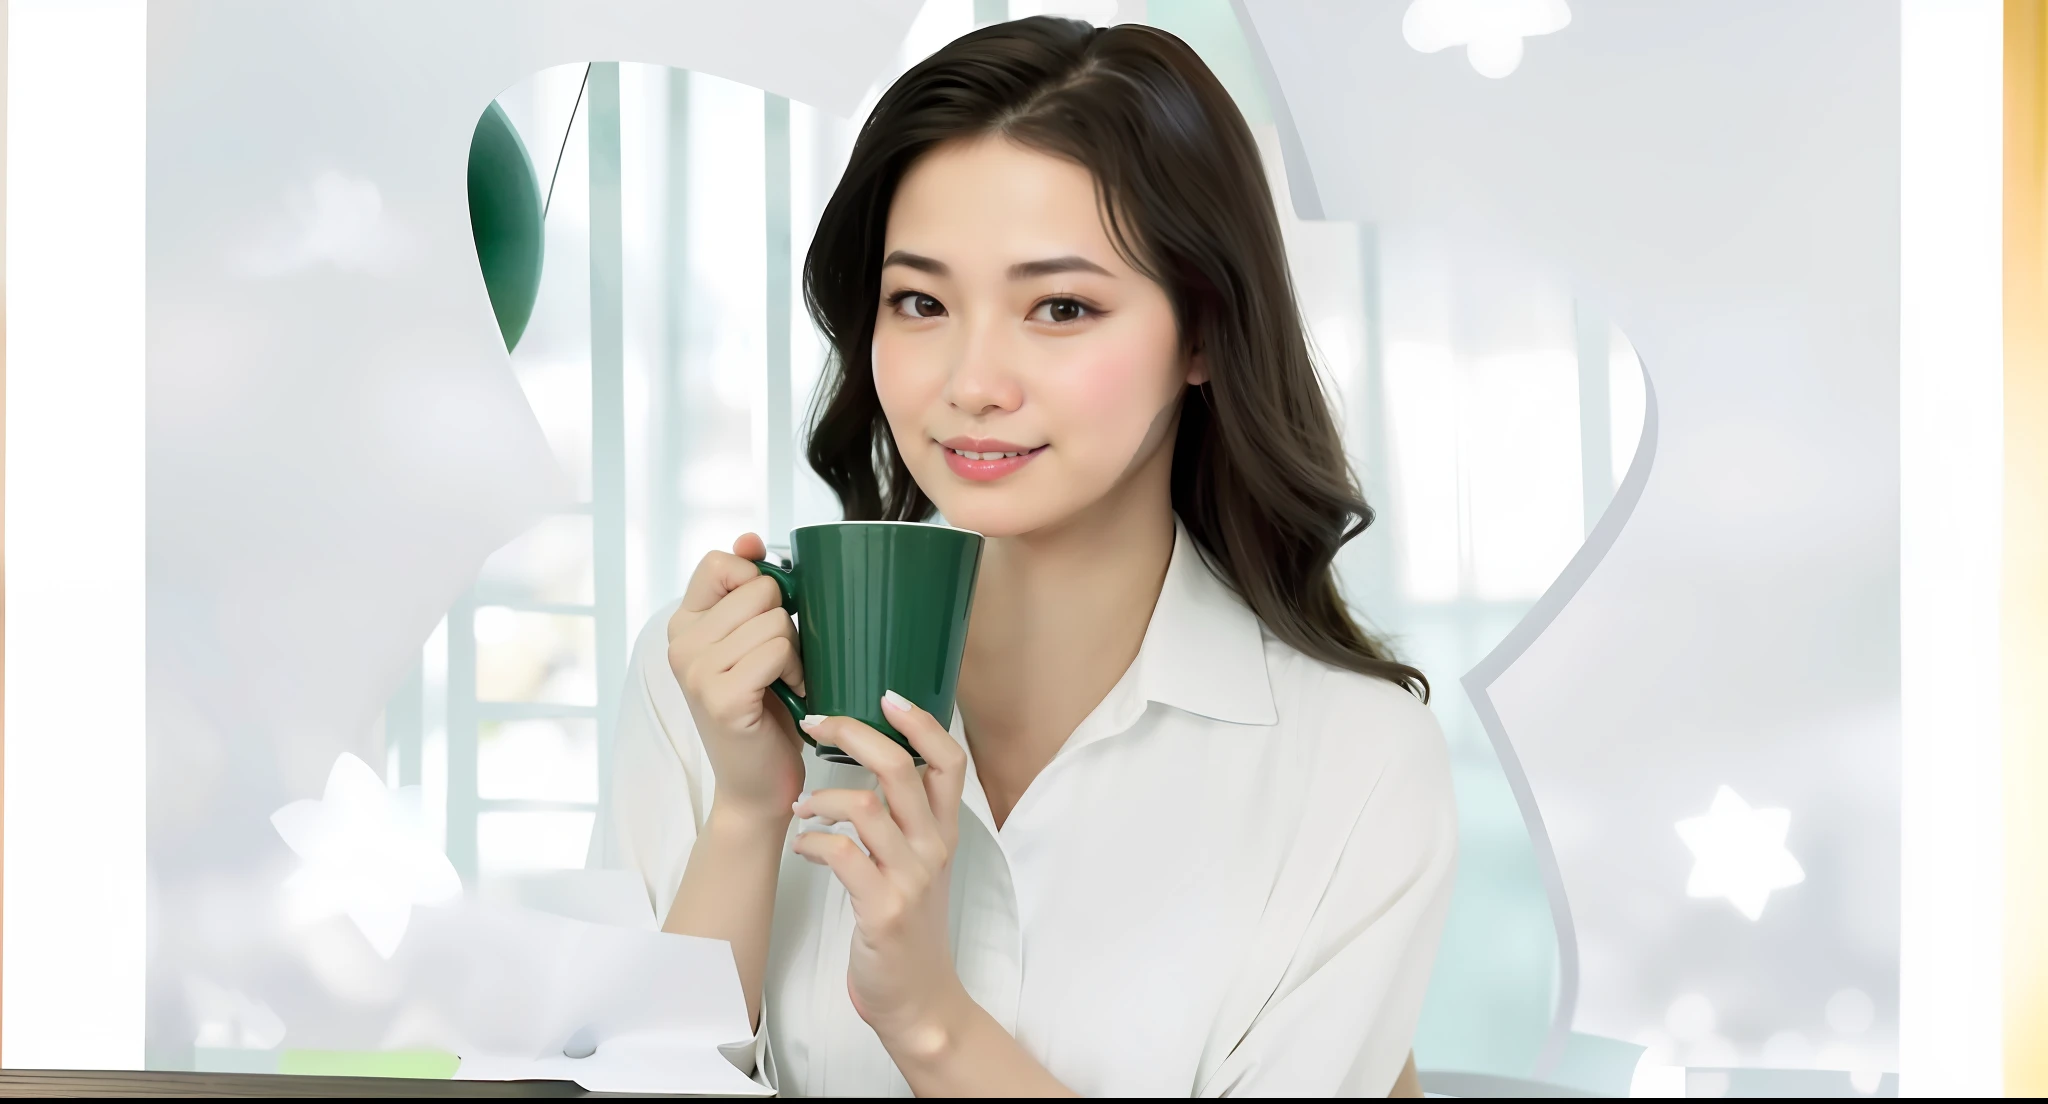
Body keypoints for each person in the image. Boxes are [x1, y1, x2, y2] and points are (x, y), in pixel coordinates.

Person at [592, 16, 1455, 1097]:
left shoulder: (1353, 765)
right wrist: (748, 811)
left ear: (1200, 332)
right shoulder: (713, 688)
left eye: (1059, 307)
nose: (972, 380)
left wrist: (930, 1020)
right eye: (919, 302)